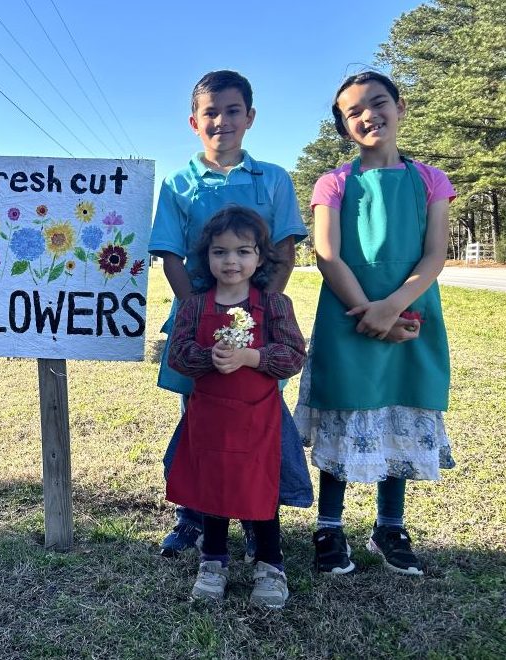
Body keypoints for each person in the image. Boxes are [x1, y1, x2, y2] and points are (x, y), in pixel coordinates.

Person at [294, 71, 455, 576]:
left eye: (378, 102)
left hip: (413, 312)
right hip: (348, 314)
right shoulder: (334, 183)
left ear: (400, 106)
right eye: (353, 111)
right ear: (344, 127)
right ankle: (329, 527)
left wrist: (393, 308)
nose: (368, 115)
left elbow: (433, 256)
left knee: (399, 410)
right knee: (346, 409)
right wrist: (370, 310)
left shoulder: (431, 180)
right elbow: (327, 255)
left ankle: (390, 526)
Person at [148, 70, 312, 559]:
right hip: (198, 323)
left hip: (258, 329)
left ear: (251, 117)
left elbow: (283, 250)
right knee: (199, 419)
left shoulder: (275, 179)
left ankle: (257, 520)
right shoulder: (179, 184)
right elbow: (171, 255)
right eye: (211, 113)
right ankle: (192, 519)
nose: (222, 121)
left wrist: (258, 316)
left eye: (233, 110)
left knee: (256, 421)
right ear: (194, 121)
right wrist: (195, 316)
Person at [167, 206, 306, 608]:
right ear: (206, 256)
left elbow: (293, 354)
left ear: (260, 257)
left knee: (259, 488)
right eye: (220, 252)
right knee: (212, 487)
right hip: (210, 416)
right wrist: (209, 356)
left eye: (243, 251)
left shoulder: (275, 304)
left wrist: (250, 358)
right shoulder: (195, 305)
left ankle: (270, 564)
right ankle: (212, 561)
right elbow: (178, 354)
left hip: (258, 417)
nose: (231, 261)